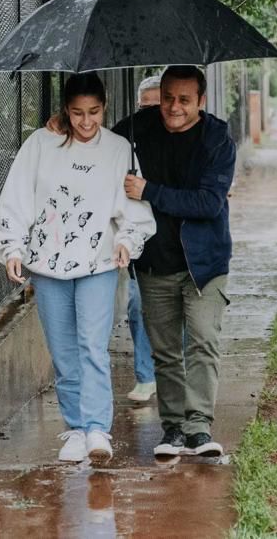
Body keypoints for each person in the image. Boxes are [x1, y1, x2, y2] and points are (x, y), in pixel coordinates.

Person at [0, 73, 156, 464]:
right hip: (48, 267)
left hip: (98, 263)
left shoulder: (119, 148)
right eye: (78, 113)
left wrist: (125, 240)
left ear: (104, 108)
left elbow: (132, 209)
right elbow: (17, 196)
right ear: (65, 111)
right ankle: (76, 428)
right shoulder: (40, 144)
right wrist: (11, 247)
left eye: (94, 112)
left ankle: (98, 428)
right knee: (64, 351)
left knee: (92, 347)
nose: (86, 122)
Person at [117, 65, 235, 459]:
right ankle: (173, 430)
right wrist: (61, 125)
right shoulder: (137, 128)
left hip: (204, 264)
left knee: (202, 342)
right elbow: (94, 141)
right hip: (155, 262)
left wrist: (150, 191)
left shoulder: (217, 139)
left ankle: (199, 428)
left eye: (184, 100)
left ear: (201, 101)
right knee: (165, 351)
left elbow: (208, 203)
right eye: (167, 97)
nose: (173, 107)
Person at [124, 75, 161, 402]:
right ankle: (145, 377)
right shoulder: (125, 144)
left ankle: (174, 372)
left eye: (157, 106)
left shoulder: (182, 141)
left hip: (176, 242)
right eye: (144, 106)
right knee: (137, 305)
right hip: (139, 242)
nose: (150, 113)